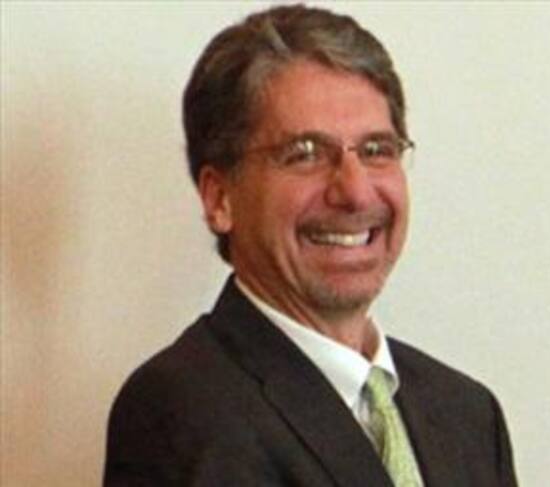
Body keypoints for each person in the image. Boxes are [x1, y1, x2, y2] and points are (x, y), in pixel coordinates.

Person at [103, 5, 518, 486]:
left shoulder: (468, 415)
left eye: (376, 150)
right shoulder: (181, 412)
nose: (356, 191)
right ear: (219, 198)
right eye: (305, 154)